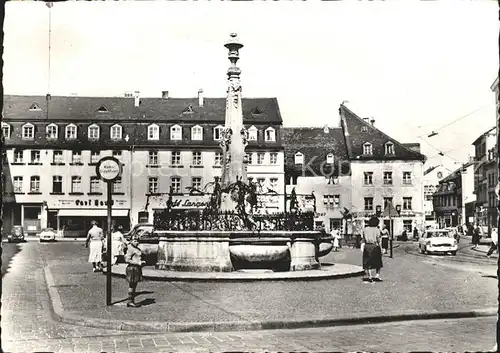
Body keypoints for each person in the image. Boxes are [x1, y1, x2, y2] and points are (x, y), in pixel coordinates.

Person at [124, 235, 146, 307]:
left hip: (137, 268)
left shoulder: (137, 249)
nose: (136, 242)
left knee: (134, 285)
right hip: (132, 268)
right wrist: (138, 262)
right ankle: (130, 301)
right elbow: (127, 260)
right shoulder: (130, 249)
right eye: (135, 241)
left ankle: (132, 300)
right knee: (132, 285)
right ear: (131, 241)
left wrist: (141, 262)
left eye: (137, 241)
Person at [361, 216, 383, 283]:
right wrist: (381, 249)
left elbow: (363, 239)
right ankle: (377, 275)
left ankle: (370, 276)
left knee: (368, 262)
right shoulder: (377, 230)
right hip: (375, 246)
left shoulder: (365, 229)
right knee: (378, 261)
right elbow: (379, 240)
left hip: (367, 246)